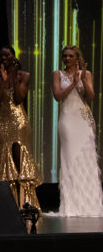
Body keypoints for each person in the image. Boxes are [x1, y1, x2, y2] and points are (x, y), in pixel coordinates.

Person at [0, 46, 42, 210]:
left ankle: (25, 203)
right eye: (1, 55)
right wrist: (4, 82)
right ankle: (6, 205)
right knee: (3, 159)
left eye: (7, 54)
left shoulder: (24, 75)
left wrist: (14, 76)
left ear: (13, 56)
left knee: (19, 159)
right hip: (1, 121)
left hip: (18, 121)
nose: (4, 57)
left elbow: (19, 98)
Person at [51, 45, 103, 216]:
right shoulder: (57, 74)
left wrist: (82, 80)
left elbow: (91, 96)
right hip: (67, 120)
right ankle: (71, 205)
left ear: (77, 57)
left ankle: (89, 205)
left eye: (70, 56)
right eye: (64, 56)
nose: (67, 59)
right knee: (69, 160)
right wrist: (72, 84)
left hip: (83, 120)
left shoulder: (85, 74)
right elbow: (58, 96)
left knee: (87, 160)